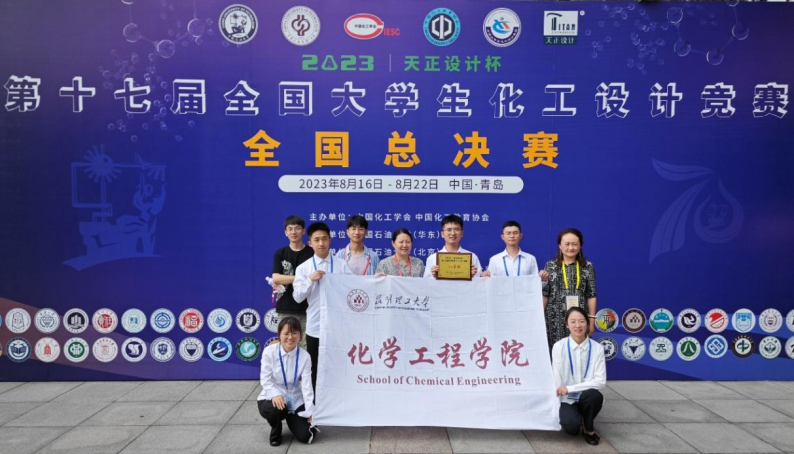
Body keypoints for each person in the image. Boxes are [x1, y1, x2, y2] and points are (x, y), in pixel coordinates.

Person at [293, 222, 352, 390]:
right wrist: (310, 280)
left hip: (338, 326)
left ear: (330, 241)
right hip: (315, 325)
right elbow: (297, 297)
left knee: (339, 365)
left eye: (324, 239)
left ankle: (338, 399)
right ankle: (314, 402)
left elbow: (353, 289)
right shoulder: (304, 268)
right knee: (314, 366)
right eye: (317, 240)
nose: (321, 243)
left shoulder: (341, 265)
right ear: (310, 243)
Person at [257, 316, 317, 446]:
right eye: (286, 333)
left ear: (300, 335)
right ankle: (276, 433)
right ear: (279, 335)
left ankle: (293, 419)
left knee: (306, 436)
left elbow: (306, 385)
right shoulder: (269, 352)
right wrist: (275, 394)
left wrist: (310, 410)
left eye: (294, 333)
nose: (290, 337)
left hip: (294, 397)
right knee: (275, 409)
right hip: (273, 396)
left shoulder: (305, 356)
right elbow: (265, 378)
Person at [552, 307, 606, 445]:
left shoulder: (597, 348)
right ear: (567, 325)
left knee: (594, 396)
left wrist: (570, 388)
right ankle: (577, 418)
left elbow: (600, 382)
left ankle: (588, 427)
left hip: (586, 395)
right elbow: (556, 377)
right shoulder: (558, 346)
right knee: (571, 427)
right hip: (566, 398)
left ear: (587, 323)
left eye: (582, 321)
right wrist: (558, 397)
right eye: (573, 321)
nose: (578, 325)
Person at [543, 228, 597, 347]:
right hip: (554, 319)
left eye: (574, 244)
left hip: (579, 320)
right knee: (556, 351)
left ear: (580, 245)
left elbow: (591, 295)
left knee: (579, 351)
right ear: (560, 245)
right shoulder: (550, 266)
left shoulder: (587, 266)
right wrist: (541, 319)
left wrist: (592, 320)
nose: (571, 248)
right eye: (567, 244)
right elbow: (545, 294)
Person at [271, 215, 314, 348]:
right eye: (290, 229)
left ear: (304, 231)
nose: (293, 232)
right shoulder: (280, 253)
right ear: (286, 232)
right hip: (285, 307)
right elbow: (276, 278)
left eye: (297, 228)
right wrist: (303, 278)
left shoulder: (312, 253)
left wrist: (287, 278)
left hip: (308, 309)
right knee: (286, 346)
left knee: (306, 347)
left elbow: (316, 277)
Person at [481, 220, 549, 282]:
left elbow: (535, 283)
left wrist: (543, 280)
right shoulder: (494, 260)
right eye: (508, 233)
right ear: (503, 237)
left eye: (515, 233)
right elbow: (490, 283)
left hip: (524, 292)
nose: (512, 236)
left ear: (520, 236)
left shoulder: (530, 259)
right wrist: (485, 277)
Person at [424, 214, 481, 279]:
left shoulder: (472, 257)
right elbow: (426, 283)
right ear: (442, 234)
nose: (453, 233)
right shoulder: (432, 259)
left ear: (462, 233)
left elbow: (480, 283)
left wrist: (472, 277)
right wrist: (435, 277)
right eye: (449, 230)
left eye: (456, 229)